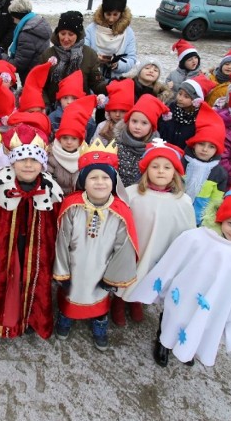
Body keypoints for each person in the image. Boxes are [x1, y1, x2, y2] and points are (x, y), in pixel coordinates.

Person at [127, 174, 231, 367]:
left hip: (215, 300)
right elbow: (173, 260)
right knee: (174, 316)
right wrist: (161, 283)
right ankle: (163, 341)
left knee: (201, 323)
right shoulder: (198, 237)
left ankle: (188, 347)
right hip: (185, 291)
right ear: (220, 217)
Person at [53, 139, 138, 350]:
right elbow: (62, 240)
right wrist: (62, 271)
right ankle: (66, 317)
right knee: (72, 292)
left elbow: (124, 246)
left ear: (114, 181)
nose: (100, 182)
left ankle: (99, 321)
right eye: (93, 177)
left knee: (99, 294)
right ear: (83, 181)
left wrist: (113, 277)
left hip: (102, 267)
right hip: (75, 265)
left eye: (105, 177)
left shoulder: (120, 211)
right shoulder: (71, 206)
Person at [0, 124, 64, 339]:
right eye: (22, 160)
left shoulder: (51, 190)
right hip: (7, 247)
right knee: (6, 276)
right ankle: (3, 313)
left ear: (42, 163)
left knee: (34, 278)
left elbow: (56, 226)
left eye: (34, 160)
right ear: (12, 161)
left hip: (36, 248)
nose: (28, 165)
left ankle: (31, 317)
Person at [113, 139, 196, 327]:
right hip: (134, 246)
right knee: (127, 273)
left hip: (159, 249)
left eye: (167, 167)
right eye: (155, 166)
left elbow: (187, 231)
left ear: (174, 173)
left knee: (148, 274)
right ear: (146, 170)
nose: (160, 171)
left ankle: (137, 301)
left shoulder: (182, 201)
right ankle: (118, 301)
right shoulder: (132, 194)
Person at [40, 11, 107, 109]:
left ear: (78, 35)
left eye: (71, 34)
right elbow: (39, 85)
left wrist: (110, 85)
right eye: (62, 34)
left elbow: (96, 84)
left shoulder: (89, 55)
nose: (66, 38)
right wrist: (45, 105)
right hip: (53, 107)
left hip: (80, 108)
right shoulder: (48, 55)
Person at [182, 103, 228, 225]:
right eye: (201, 144)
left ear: (217, 150)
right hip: (176, 211)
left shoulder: (219, 173)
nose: (205, 149)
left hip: (198, 218)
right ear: (194, 144)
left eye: (211, 146)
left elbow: (216, 200)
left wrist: (209, 219)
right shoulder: (181, 163)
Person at [48, 95, 96, 195]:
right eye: (65, 138)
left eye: (74, 138)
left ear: (80, 140)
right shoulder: (51, 155)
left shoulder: (86, 156)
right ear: (59, 138)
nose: (69, 142)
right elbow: (48, 179)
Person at [116, 94, 167, 187]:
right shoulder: (117, 143)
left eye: (144, 123)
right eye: (134, 121)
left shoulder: (155, 149)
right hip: (116, 191)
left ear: (151, 126)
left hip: (141, 192)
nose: (137, 127)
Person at [84, 0, 137, 81]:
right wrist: (95, 59)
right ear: (103, 12)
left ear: (121, 13)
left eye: (115, 14)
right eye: (108, 14)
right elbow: (83, 53)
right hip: (92, 78)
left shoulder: (128, 33)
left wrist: (116, 64)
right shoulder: (91, 29)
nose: (111, 19)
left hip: (116, 80)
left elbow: (131, 59)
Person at [158, 75, 215, 150]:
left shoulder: (199, 118)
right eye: (180, 93)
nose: (180, 98)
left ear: (196, 100)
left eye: (186, 96)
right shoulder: (170, 109)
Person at [6, 0, 51, 85]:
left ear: (17, 15)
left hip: (31, 78)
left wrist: (2, 57)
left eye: (13, 16)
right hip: (39, 73)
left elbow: (18, 65)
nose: (13, 20)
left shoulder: (27, 33)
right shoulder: (37, 23)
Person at [48, 70, 90, 139]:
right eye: (65, 98)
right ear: (60, 100)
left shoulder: (88, 121)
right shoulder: (52, 119)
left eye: (74, 98)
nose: (69, 102)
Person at [93, 78, 134, 144]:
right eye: (114, 111)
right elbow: (94, 146)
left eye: (122, 111)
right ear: (109, 112)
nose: (117, 114)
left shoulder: (132, 129)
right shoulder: (102, 126)